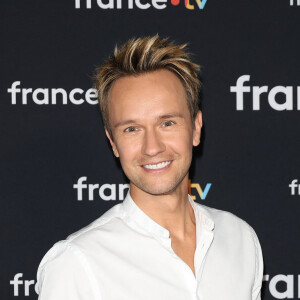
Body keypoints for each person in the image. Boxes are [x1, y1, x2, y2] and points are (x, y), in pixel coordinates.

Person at [36, 35, 263, 300]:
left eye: (167, 123)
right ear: (113, 142)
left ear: (196, 128)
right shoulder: (77, 263)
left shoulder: (240, 239)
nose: (152, 147)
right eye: (132, 129)